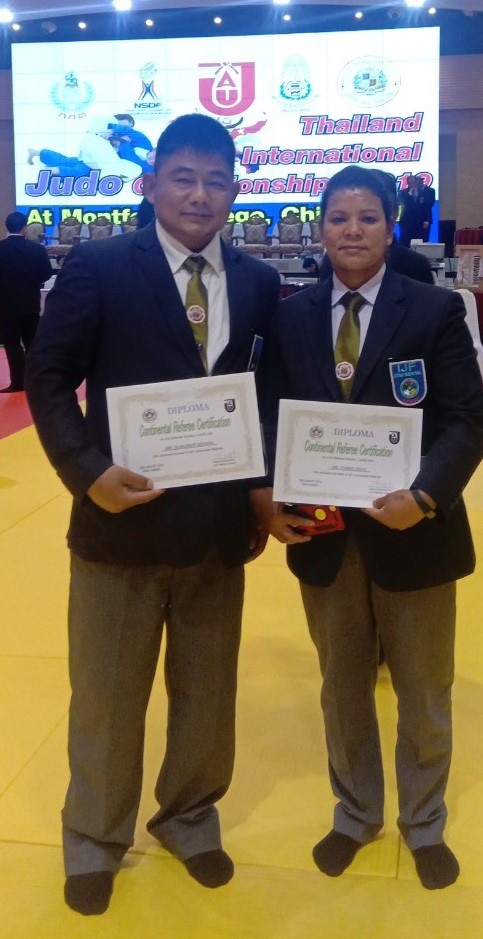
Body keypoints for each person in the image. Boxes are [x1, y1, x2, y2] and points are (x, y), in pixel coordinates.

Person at [25, 113, 280, 916]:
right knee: (106, 697)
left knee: (207, 694)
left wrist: (261, 488)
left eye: (215, 180)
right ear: (150, 183)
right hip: (119, 525)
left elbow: (259, 397)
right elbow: (48, 374)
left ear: (234, 192)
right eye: (183, 178)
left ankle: (189, 818)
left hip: (216, 531)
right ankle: (94, 837)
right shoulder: (100, 266)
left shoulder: (256, 280)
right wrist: (86, 473)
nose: (199, 195)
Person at [251, 166, 483, 891]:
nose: (351, 230)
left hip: (414, 530)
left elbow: (466, 418)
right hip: (324, 534)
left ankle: (424, 821)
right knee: (342, 686)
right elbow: (268, 414)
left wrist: (427, 494)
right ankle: (355, 813)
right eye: (338, 217)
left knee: (424, 692)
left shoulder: (435, 309)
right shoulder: (290, 316)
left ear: (390, 226)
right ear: (320, 228)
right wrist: (268, 495)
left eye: (367, 218)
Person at [0, 211, 52, 392]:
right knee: (32, 344)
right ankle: (36, 381)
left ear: (7, 227)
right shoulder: (37, 249)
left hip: (5, 305)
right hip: (30, 303)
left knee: (12, 345)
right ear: (25, 228)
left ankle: (17, 383)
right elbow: (47, 273)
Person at [398, 173, 436, 246]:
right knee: (405, 243)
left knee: (422, 242)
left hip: (421, 222)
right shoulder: (403, 193)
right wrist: (410, 194)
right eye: (410, 183)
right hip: (407, 223)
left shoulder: (424, 192)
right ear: (407, 183)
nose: (412, 185)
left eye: (413, 183)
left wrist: (427, 220)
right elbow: (404, 204)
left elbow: (428, 206)